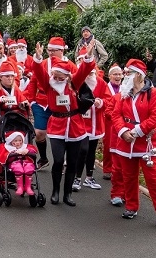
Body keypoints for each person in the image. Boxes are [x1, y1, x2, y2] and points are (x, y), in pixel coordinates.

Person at [111, 59, 156, 229]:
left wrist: (137, 131)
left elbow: (155, 117)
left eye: (128, 73)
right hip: (126, 142)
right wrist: (123, 132)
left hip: (147, 142)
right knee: (129, 177)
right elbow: (115, 115)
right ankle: (131, 206)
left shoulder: (153, 93)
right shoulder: (123, 93)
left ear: (139, 75)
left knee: (153, 179)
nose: (125, 76)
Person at [32, 39, 96, 206]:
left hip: (75, 125)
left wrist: (88, 56)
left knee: (72, 162)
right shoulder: (49, 84)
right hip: (56, 126)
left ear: (67, 75)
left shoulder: (74, 81)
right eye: (55, 74)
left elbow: (85, 69)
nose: (56, 77)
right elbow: (39, 72)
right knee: (59, 160)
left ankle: (67, 194)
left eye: (60, 75)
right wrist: (38, 58)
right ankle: (55, 191)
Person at [74, 59, 112, 192]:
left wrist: (100, 102)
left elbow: (109, 100)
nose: (90, 75)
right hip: (80, 123)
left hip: (95, 123)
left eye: (92, 72)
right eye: (87, 73)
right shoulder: (77, 83)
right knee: (82, 150)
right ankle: (77, 177)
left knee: (91, 151)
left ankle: (89, 178)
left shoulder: (101, 83)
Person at [0, 61, 28, 176]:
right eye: (7, 76)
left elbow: (22, 100)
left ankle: (14, 174)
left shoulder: (16, 89)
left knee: (15, 149)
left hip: (14, 123)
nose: (10, 79)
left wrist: (24, 104)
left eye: (12, 76)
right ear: (0, 78)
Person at [0, 131, 37, 196]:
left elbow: (33, 149)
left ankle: (28, 187)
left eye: (20, 140)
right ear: (11, 141)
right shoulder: (7, 148)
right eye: (16, 141)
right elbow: (3, 155)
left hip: (25, 162)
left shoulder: (25, 146)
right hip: (14, 163)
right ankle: (20, 187)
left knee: (29, 167)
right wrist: (14, 153)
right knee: (18, 167)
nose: (18, 142)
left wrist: (27, 151)